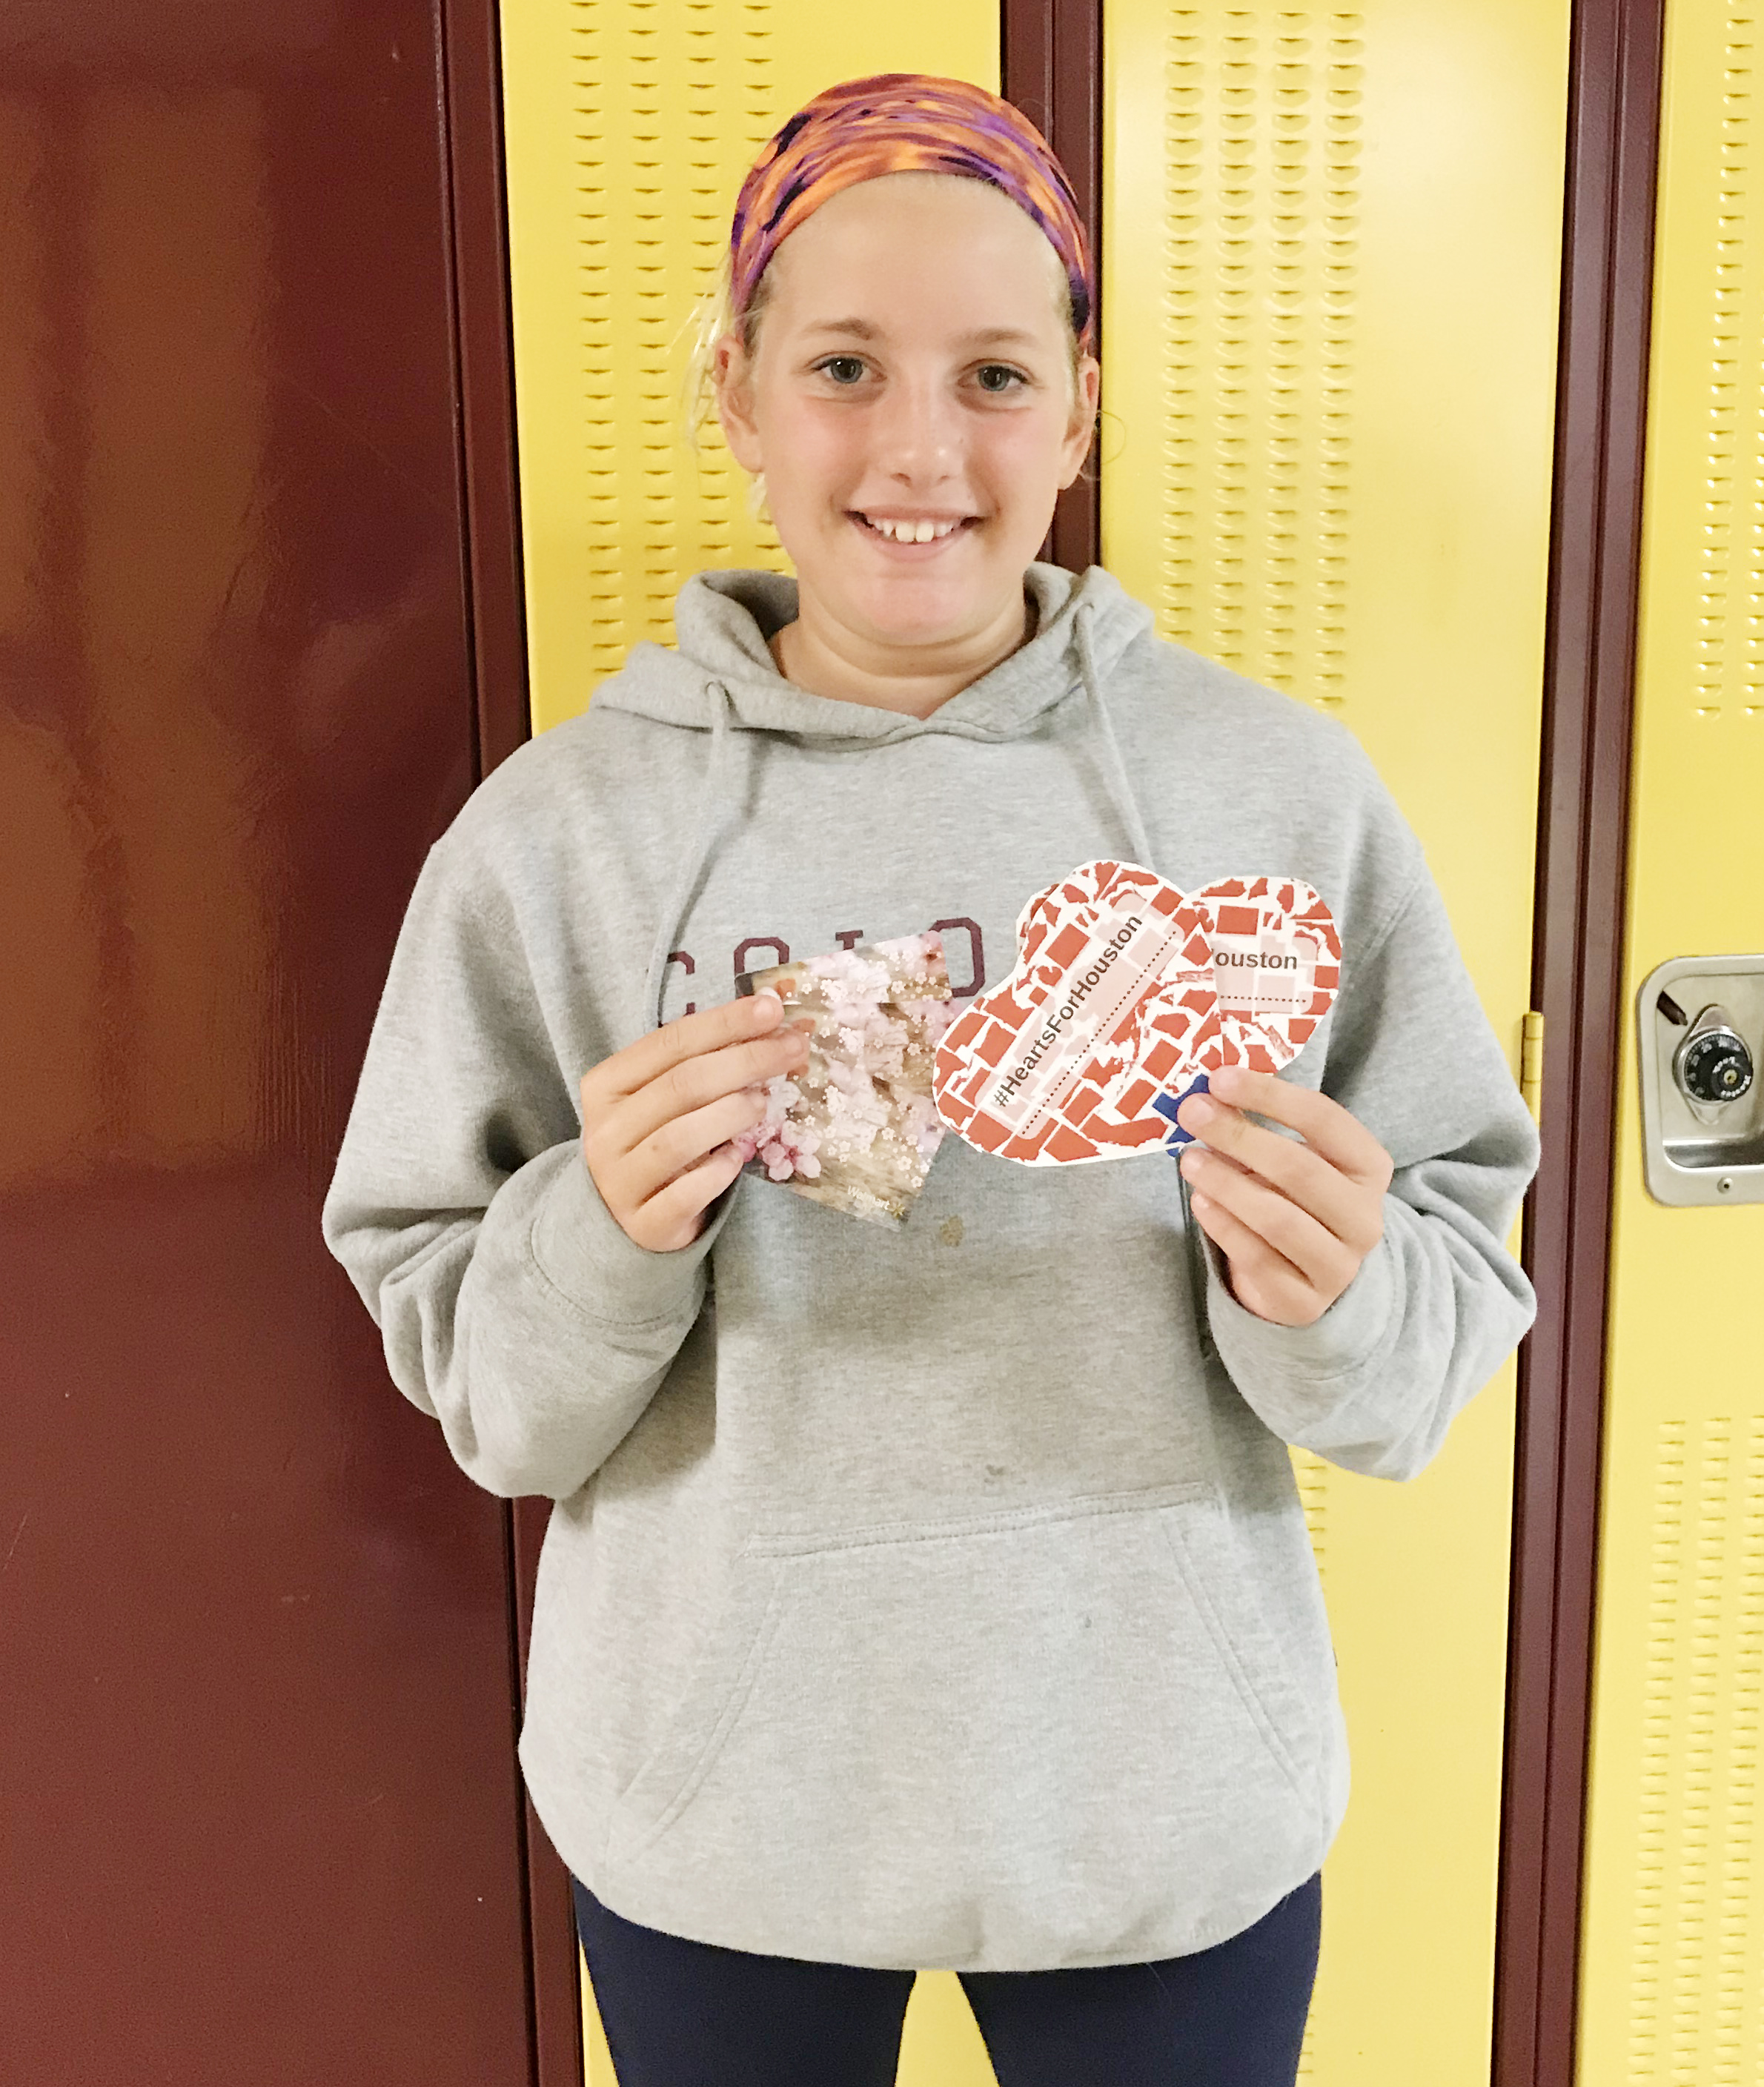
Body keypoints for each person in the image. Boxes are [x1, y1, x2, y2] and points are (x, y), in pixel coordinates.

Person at [322, 73, 1539, 2087]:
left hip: (1161, 1806)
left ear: (1077, 406)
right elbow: (496, 1408)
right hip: (719, 1821)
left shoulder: (1272, 798)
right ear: (735, 397)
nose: (915, 450)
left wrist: (1336, 1293)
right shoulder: (559, 844)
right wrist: (596, 1239)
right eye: (839, 368)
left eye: (989, 374)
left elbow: (1423, 1349)